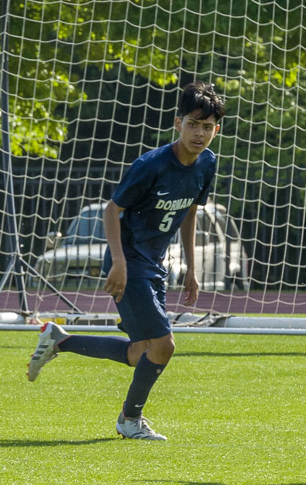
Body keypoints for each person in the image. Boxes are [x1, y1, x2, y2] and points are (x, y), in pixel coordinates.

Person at [26, 81, 225, 442]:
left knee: (139, 353)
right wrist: (118, 262)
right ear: (177, 123)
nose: (200, 133)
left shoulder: (207, 164)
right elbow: (112, 210)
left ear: (217, 129)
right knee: (164, 346)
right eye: (193, 124)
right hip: (129, 264)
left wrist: (193, 269)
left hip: (155, 265)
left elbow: (192, 213)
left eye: (207, 126)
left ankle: (59, 341)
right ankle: (129, 420)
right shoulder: (151, 165)